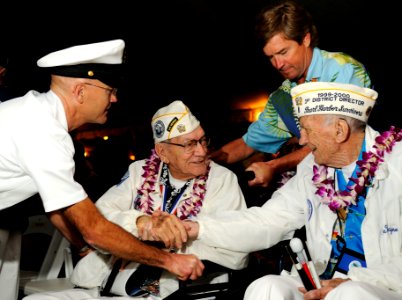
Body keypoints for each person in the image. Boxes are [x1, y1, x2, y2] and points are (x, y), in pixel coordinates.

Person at [0, 40, 203, 300]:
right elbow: (94, 228)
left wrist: (84, 249)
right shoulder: (44, 132)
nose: (115, 98)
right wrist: (168, 261)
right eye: (110, 90)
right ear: (81, 91)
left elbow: (56, 206)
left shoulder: (37, 114)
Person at [185, 82, 402, 299]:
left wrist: (355, 280)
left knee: (350, 293)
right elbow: (267, 220)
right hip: (323, 281)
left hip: (384, 286)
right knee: (267, 287)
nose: (302, 140)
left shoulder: (398, 163)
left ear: (339, 130)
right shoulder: (312, 169)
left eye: (306, 129)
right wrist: (197, 229)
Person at [23, 100, 248, 300]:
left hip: (168, 290)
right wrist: (140, 224)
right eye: (189, 144)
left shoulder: (222, 180)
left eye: (202, 141)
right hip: (105, 283)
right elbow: (100, 214)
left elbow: (236, 248)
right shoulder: (140, 171)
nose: (201, 151)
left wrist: (161, 245)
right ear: (162, 152)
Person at [210, 0, 371, 188]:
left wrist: (274, 165)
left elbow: (337, 141)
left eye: (283, 52)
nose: (278, 64)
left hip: (366, 180)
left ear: (305, 39)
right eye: (271, 57)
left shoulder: (344, 70)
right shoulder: (282, 98)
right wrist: (203, 162)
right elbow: (247, 144)